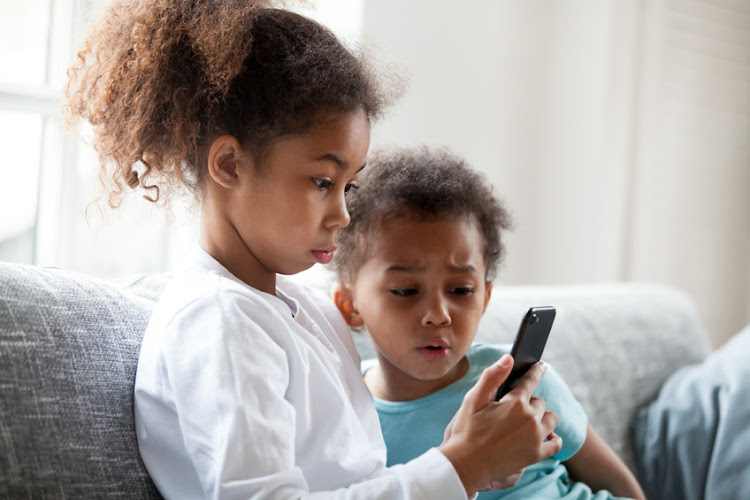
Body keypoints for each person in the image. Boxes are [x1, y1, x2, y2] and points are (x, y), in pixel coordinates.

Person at [65, 1, 562, 498]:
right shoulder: (218, 320)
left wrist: (467, 459)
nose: (343, 215)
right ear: (231, 165)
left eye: (349, 187)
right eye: (323, 181)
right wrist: (461, 466)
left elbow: (354, 482)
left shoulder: (310, 312)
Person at [331, 147, 647, 500]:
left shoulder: (522, 384)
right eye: (406, 290)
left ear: (485, 297)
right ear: (350, 306)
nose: (439, 313)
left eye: (461, 289)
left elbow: (613, 479)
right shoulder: (344, 408)